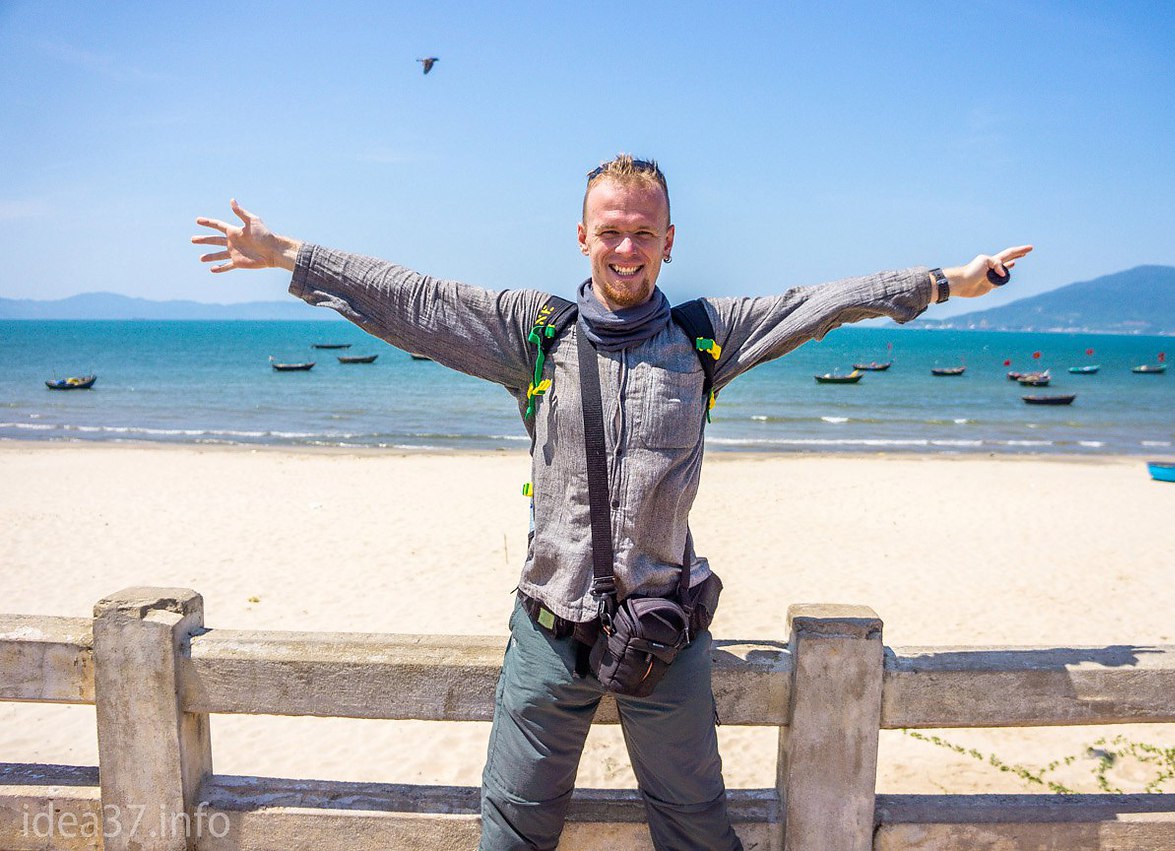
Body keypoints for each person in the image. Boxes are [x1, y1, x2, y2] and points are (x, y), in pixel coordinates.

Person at [192, 155, 1031, 850]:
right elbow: (417, 301)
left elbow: (822, 304)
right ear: (583, 237)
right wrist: (289, 256)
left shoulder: (707, 335)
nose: (625, 248)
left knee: (698, 832)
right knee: (512, 833)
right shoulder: (535, 333)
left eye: (642, 232)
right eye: (610, 231)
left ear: (668, 240)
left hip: (665, 635)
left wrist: (947, 283)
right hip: (548, 632)